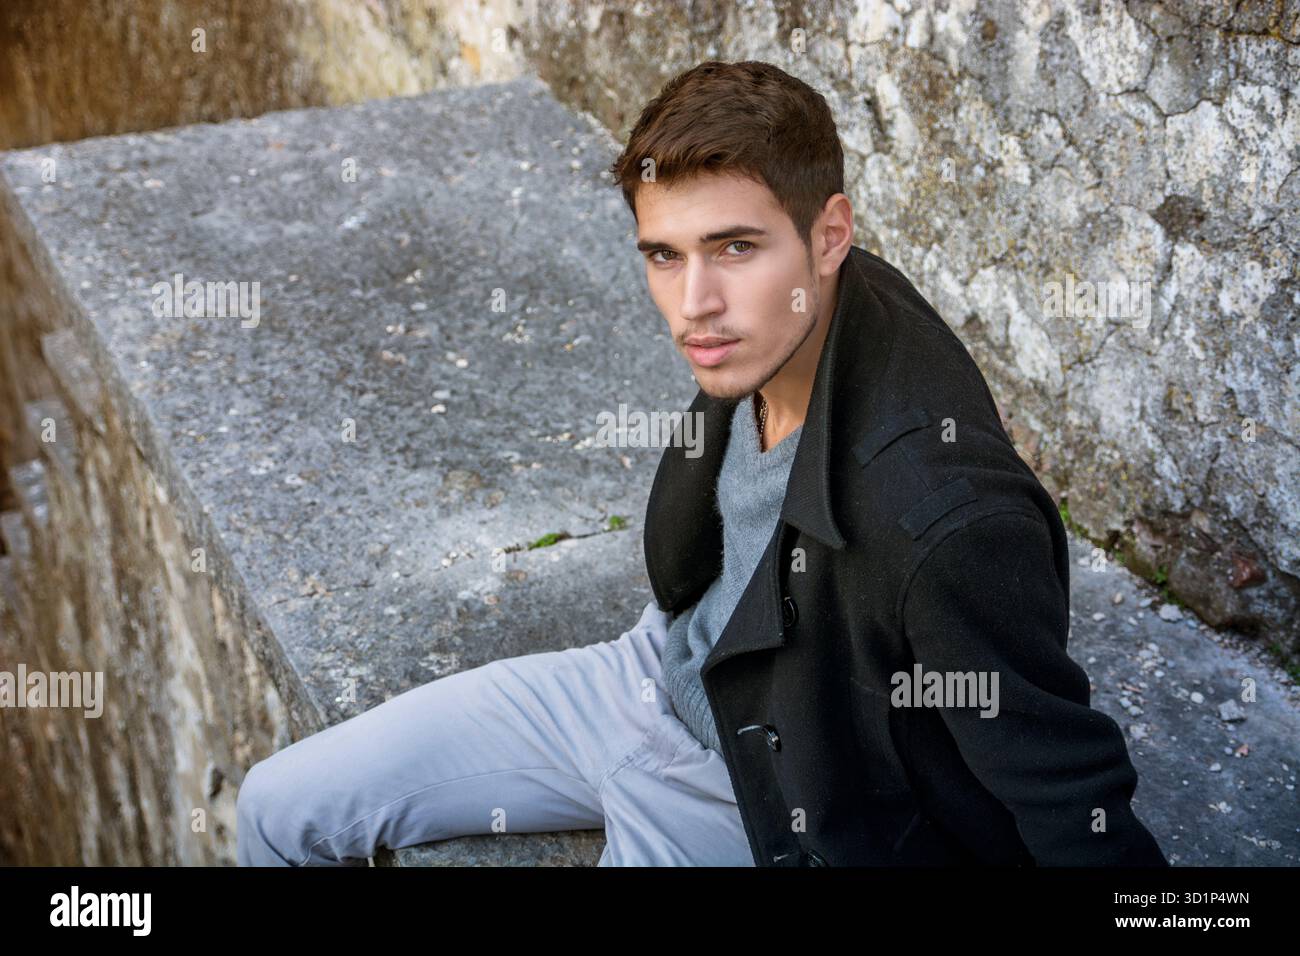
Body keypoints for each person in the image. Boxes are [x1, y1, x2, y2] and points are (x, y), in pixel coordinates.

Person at [237, 59, 1168, 867]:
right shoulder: (773, 328)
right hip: (646, 677)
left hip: (761, 794)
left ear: (831, 235)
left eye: (735, 248)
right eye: (663, 255)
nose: (694, 305)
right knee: (277, 809)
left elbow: (1070, 796)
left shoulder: (943, 520)